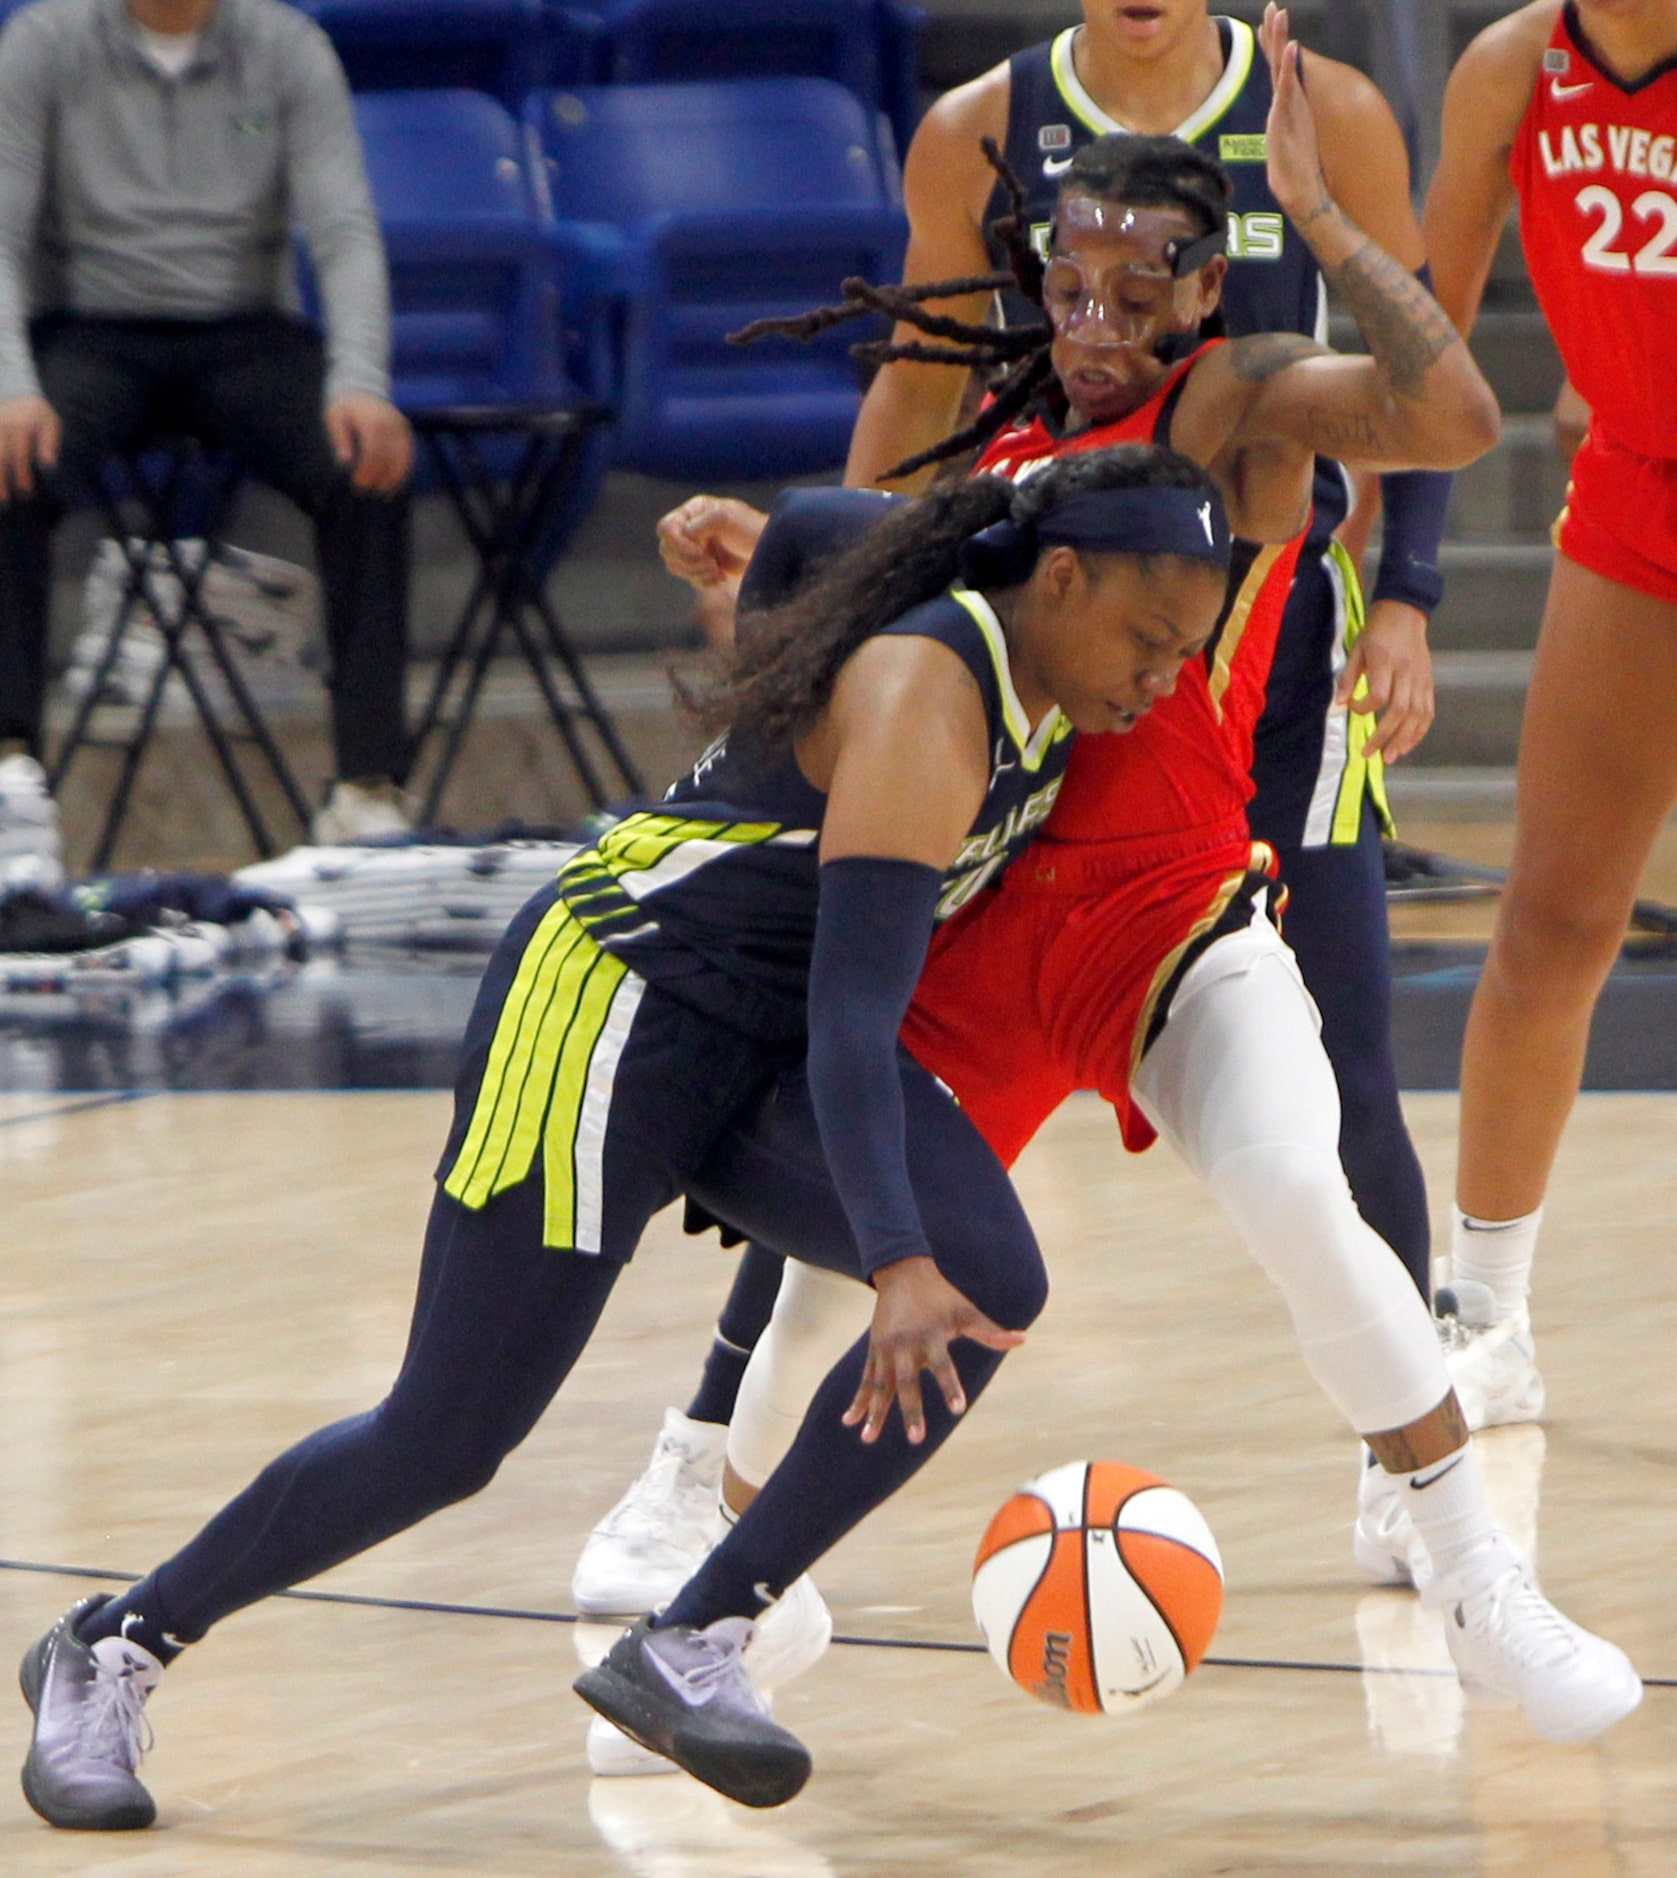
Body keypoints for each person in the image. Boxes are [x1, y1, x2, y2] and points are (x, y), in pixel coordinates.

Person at [579, 10, 1642, 1785]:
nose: (1093, 319)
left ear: (1198, 293)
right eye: (1067, 284)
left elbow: (1449, 409)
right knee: (846, 1257)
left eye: (1132, 288)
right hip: (991, 930)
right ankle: (719, 1585)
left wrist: (1318, 219)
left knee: (1309, 1191)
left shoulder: (1234, 407)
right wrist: (763, 550)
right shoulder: (1003, 427)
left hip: (1172, 936)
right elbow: (881, 580)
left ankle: (1477, 1575)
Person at [17, 441, 1238, 1827]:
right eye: (1147, 639)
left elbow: (830, 534)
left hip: (753, 1029)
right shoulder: (929, 697)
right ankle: (112, 1642)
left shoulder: (1008, 594)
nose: (1160, 677)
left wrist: (759, 543)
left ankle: (692, 1638)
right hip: (613, 1003)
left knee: (987, 1279)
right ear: (1060, 577)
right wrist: (886, 1253)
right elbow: (852, 1020)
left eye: (1185, 649)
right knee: (447, 1433)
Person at [1423, 0, 1677, 1429]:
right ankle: (1489, 1314)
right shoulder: (1512, 71)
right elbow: (1426, 339)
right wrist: (1373, 568)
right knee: (1554, 919)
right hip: (1638, 505)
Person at [0, 0, 415, 870]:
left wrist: (361, 385)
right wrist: (10, 386)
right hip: (86, 327)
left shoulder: (290, 48)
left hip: (244, 332)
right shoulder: (43, 43)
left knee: (366, 466)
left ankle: (369, 788)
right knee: (8, 468)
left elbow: (344, 231)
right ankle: (10, 781)